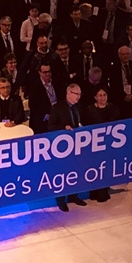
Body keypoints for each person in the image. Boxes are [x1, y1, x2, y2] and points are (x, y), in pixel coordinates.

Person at [48, 83, 90, 211]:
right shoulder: (57, 107)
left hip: (76, 145)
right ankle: (61, 199)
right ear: (68, 93)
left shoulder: (78, 107)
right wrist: (63, 128)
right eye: (76, 94)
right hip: (61, 147)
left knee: (74, 171)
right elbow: (50, 127)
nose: (78, 97)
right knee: (62, 173)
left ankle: (73, 195)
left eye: (80, 94)